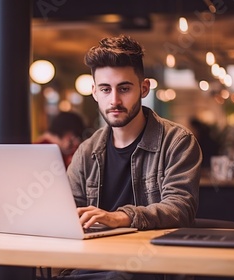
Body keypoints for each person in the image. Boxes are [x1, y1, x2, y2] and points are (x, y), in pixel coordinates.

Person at [60, 35, 202, 279]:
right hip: (91, 264)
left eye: (124, 88)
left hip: (151, 266)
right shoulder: (86, 152)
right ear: (94, 92)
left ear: (144, 88)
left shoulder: (177, 141)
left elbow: (180, 208)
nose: (114, 100)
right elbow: (65, 211)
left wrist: (120, 217)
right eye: (105, 89)